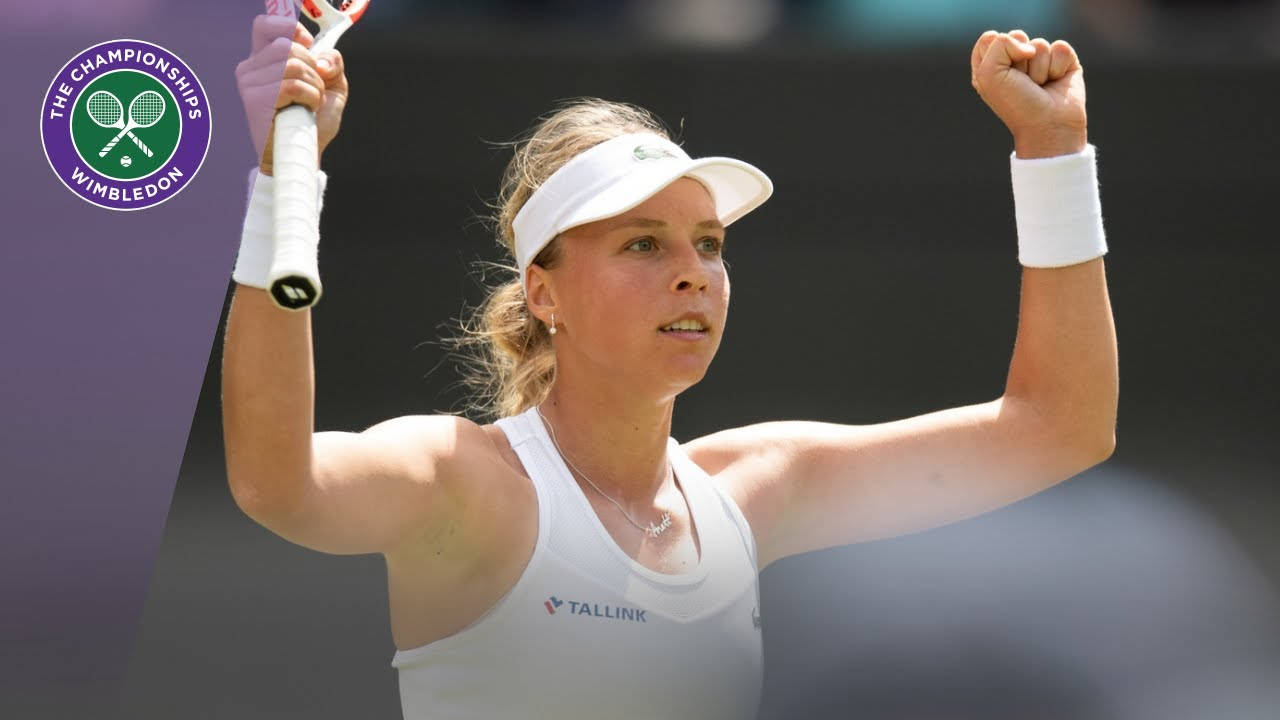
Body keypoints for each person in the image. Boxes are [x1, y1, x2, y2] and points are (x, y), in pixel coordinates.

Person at [226, 16, 1117, 720]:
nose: (694, 269)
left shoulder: (758, 486)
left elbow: (1062, 427)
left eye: (710, 243)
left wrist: (1055, 153)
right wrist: (279, 180)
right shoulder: (461, 481)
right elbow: (278, 480)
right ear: (545, 295)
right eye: (642, 243)